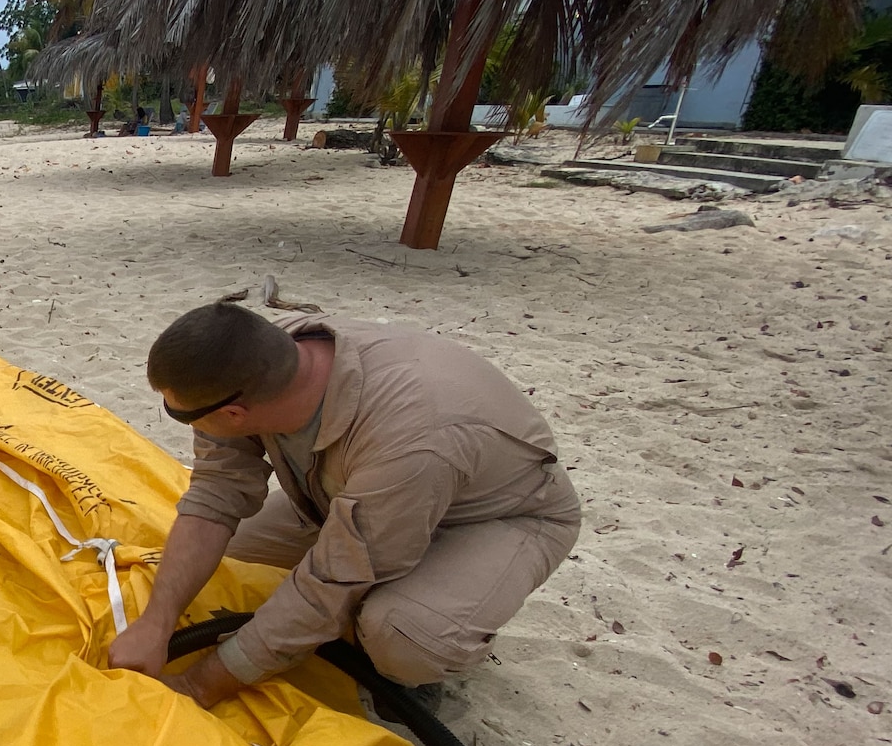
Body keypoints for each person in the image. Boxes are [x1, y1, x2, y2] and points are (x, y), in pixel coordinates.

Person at [107, 299, 580, 707]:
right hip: (353, 497)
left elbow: (330, 584)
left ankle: (426, 657)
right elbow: (215, 495)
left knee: (399, 634)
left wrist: (198, 685)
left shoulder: (411, 440)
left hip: (498, 517)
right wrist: (157, 622)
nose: (180, 418)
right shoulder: (258, 364)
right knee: (232, 563)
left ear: (234, 412)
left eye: (180, 413)